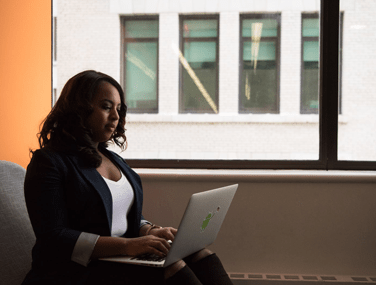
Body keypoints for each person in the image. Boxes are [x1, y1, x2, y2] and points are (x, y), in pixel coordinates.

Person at [22, 70, 233, 285]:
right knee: (172, 267)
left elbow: (120, 216)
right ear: (79, 109)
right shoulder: (49, 162)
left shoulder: (113, 159)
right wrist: (128, 246)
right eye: (106, 107)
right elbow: (54, 237)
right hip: (75, 271)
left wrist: (152, 231)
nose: (115, 116)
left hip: (119, 259)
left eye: (119, 109)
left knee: (200, 254)